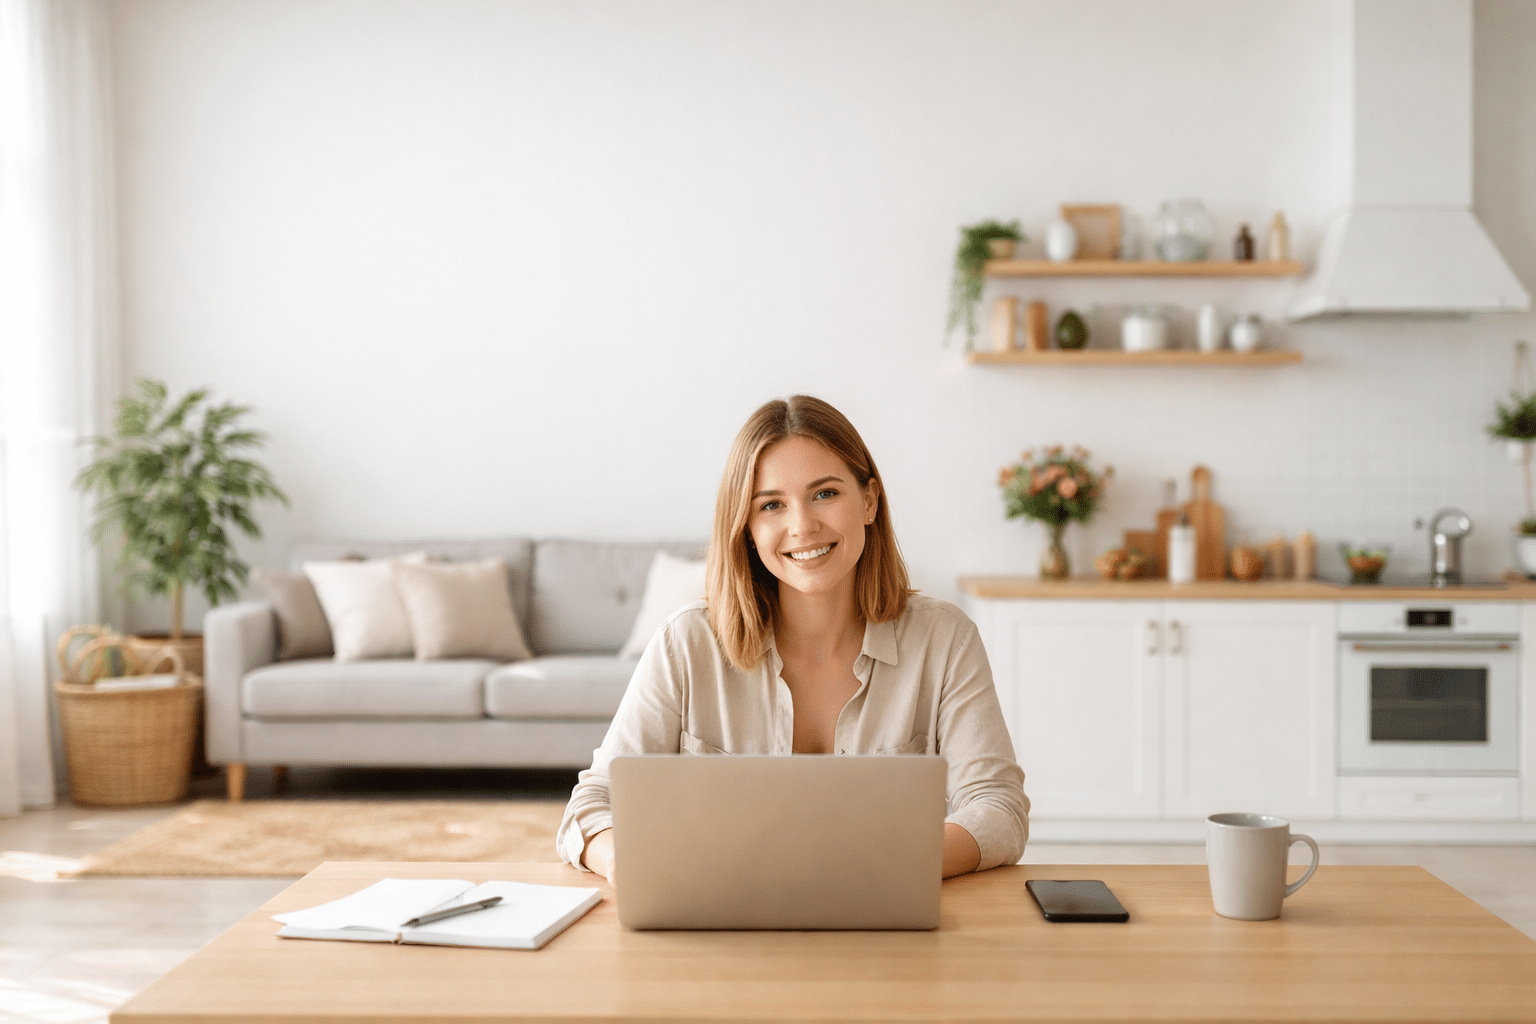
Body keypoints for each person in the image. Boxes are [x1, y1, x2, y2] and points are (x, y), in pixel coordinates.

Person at [556, 395, 1028, 882]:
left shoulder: (945, 639)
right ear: (747, 527)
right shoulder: (686, 644)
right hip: (720, 916)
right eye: (772, 505)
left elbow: (998, 808)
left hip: (883, 915)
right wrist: (634, 866)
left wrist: (873, 867)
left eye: (825, 494)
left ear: (869, 501)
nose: (802, 526)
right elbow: (591, 807)